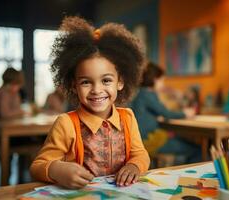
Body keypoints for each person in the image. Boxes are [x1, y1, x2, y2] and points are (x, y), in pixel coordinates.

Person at [30, 16, 150, 189]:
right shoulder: (66, 123)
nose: (96, 89)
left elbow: (140, 154)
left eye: (106, 80)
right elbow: (37, 167)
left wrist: (134, 165)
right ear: (74, 85)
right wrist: (57, 169)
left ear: (120, 82)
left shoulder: (128, 118)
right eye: (86, 82)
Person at [130, 62, 201, 165]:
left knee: (185, 143)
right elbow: (166, 113)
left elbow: (159, 112)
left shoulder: (142, 93)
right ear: (155, 79)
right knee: (197, 150)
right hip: (149, 140)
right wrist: (185, 113)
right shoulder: (147, 94)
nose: (163, 83)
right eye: (162, 80)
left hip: (145, 138)